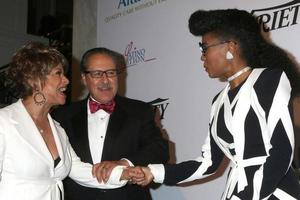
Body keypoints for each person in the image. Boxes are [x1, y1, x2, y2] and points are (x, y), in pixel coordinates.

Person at [130, 9, 300, 200]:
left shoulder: (270, 79)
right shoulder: (218, 101)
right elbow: (208, 163)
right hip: (236, 192)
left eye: (204, 48)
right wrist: (153, 172)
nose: (202, 57)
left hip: (275, 193)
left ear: (230, 48)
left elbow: (282, 151)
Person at [0, 42, 134, 200]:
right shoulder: (4, 122)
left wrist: (125, 173)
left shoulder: (57, 129)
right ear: (33, 79)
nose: (66, 81)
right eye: (58, 73)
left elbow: (79, 170)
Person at [52, 47, 169, 200]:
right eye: (97, 74)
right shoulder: (62, 116)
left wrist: (125, 162)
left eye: (111, 73)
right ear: (83, 78)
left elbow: (159, 149)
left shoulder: (139, 110)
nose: (105, 80)